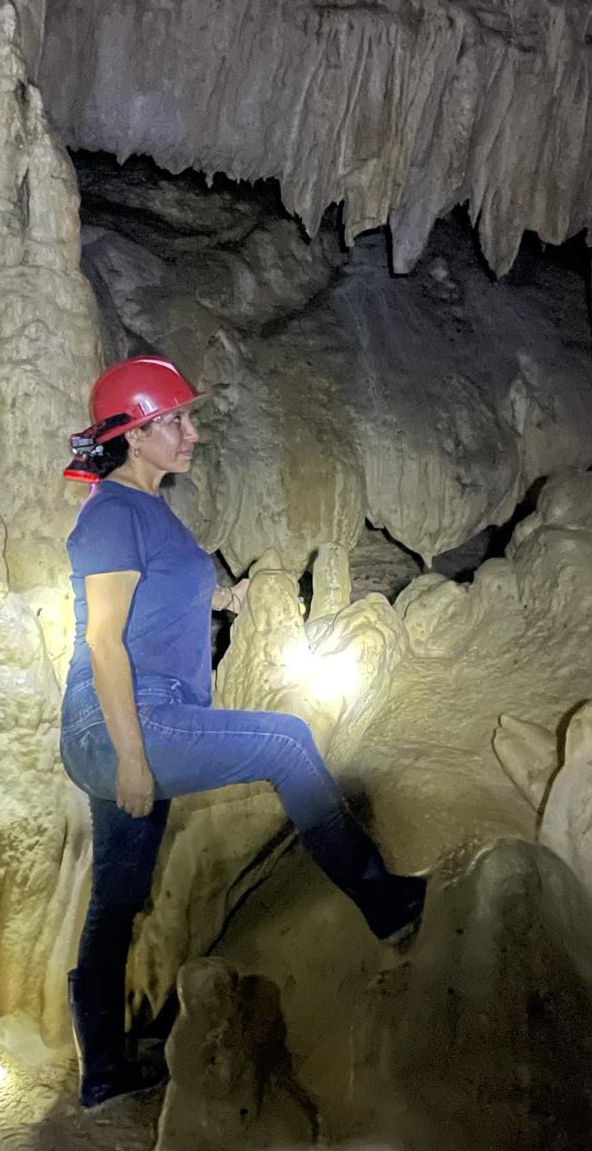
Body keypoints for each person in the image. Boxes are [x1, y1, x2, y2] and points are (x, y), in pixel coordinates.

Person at [58, 356, 427, 1110]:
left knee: (117, 900)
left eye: (189, 418)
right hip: (127, 720)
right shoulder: (112, 513)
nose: (192, 433)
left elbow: (163, 602)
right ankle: (386, 903)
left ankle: (103, 1071)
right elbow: (103, 640)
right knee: (289, 741)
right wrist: (132, 754)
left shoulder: (150, 514)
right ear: (132, 435)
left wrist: (227, 595)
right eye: (175, 421)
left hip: (147, 718)